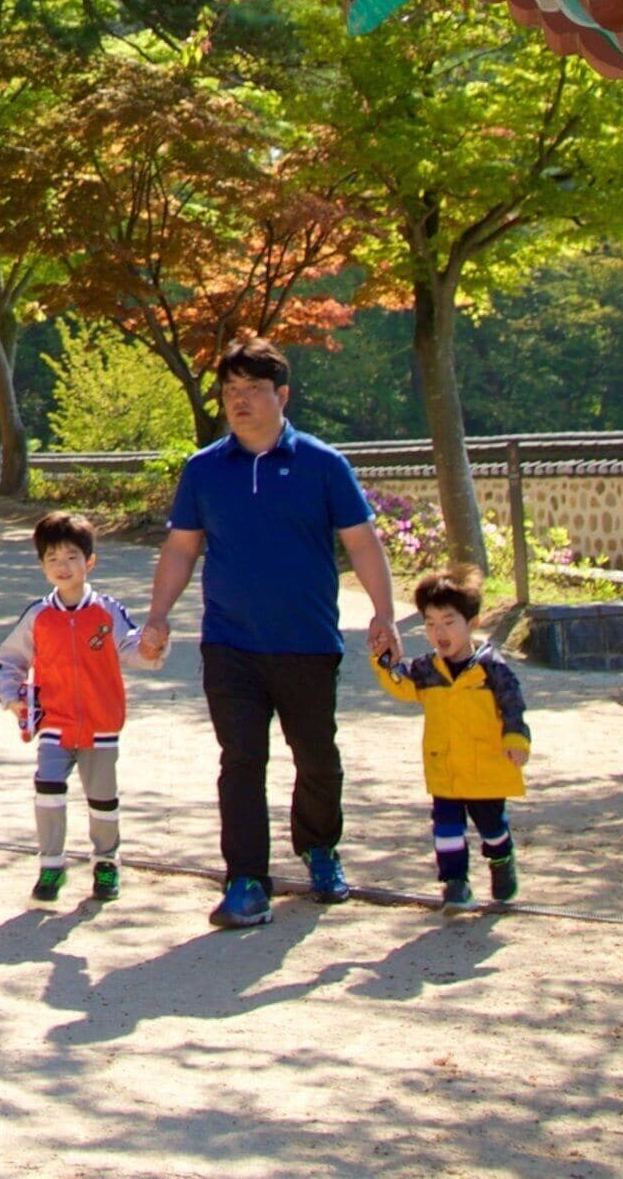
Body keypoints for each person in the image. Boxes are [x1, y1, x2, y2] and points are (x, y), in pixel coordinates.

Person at [135, 338, 399, 929]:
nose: (240, 401)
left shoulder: (323, 464)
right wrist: (157, 614)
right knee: (241, 760)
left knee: (316, 757)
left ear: (281, 395)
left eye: (253, 390)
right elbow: (182, 547)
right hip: (231, 642)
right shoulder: (204, 469)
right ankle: (246, 878)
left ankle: (319, 848)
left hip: (306, 639)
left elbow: (361, 542)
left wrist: (382, 613)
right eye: (231, 391)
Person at [0, 509, 147, 906]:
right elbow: (10, 657)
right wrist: (12, 697)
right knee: (47, 790)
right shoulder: (39, 615)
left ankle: (106, 862)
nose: (63, 566)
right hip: (55, 722)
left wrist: (153, 644)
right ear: (42, 566)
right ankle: (52, 864)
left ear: (89, 562)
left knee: (102, 799)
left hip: (101, 723)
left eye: (72, 557)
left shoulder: (106, 610)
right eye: (52, 559)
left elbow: (131, 647)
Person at [373, 568, 531, 911]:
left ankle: (501, 858)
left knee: (492, 826)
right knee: (446, 828)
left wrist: (516, 741)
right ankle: (454, 883)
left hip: (484, 769)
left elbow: (513, 706)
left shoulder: (492, 668)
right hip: (444, 766)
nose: (439, 632)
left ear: (471, 623)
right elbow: (403, 685)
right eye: (430, 624)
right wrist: (384, 660)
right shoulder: (428, 669)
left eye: (448, 622)